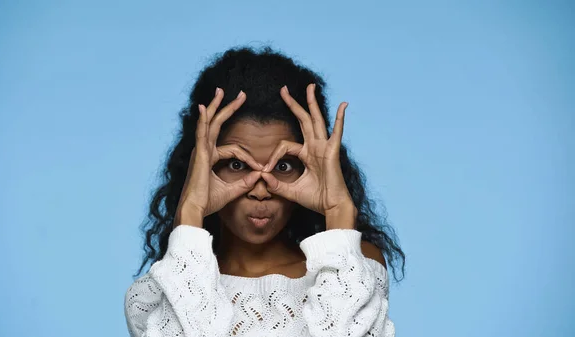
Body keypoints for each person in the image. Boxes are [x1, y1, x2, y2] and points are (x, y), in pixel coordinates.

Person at [124, 46, 405, 337]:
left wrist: (338, 212)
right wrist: (190, 211)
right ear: (200, 166)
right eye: (236, 163)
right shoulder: (151, 296)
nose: (260, 190)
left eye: (283, 165)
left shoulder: (353, 266)